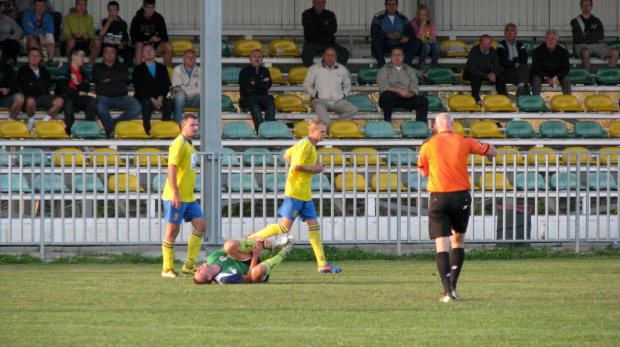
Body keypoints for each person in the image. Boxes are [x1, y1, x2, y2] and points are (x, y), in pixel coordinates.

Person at [417, 112, 498, 302]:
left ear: (435, 127)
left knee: (441, 245)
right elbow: (492, 151)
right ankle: (453, 287)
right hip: (461, 196)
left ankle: (446, 292)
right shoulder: (464, 141)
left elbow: (423, 173)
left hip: (439, 197)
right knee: (458, 242)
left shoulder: (427, 144)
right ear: (453, 124)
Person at [246, 118, 342, 274]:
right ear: (313, 131)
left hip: (305, 193)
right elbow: (296, 166)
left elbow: (286, 155)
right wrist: (315, 169)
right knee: (284, 227)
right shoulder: (306, 145)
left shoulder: (304, 144)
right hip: (296, 192)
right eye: (322, 131)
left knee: (314, 227)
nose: (325, 134)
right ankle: (252, 238)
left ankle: (322, 264)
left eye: (325, 131)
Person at [161, 113, 206, 278]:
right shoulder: (179, 143)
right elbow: (171, 168)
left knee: (201, 226)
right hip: (175, 196)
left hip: (189, 197)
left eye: (196, 125)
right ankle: (167, 269)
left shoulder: (190, 144)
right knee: (173, 230)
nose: (195, 128)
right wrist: (175, 194)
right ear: (183, 126)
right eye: (192, 125)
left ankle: (189, 265)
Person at [193, 235, 295, 285]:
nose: (197, 269)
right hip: (253, 275)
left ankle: (271, 245)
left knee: (228, 245)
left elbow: (232, 246)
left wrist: (252, 239)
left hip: (246, 260)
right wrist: (255, 255)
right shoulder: (224, 279)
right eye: (199, 273)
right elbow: (247, 279)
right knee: (257, 271)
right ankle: (285, 251)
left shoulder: (212, 258)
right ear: (210, 276)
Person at [92, 45, 141, 137]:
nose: (109, 54)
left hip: (122, 97)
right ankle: (112, 131)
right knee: (100, 108)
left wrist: (108, 79)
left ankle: (114, 125)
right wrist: (116, 78)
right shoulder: (97, 67)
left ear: (115, 55)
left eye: (112, 52)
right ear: (103, 54)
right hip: (104, 97)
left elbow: (124, 77)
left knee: (136, 106)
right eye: (107, 51)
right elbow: (98, 77)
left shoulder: (122, 66)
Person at [302, 47, 357, 129]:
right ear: (323, 56)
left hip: (337, 100)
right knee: (325, 121)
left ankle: (335, 128)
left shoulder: (342, 69)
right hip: (320, 100)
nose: (330, 57)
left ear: (336, 57)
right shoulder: (314, 68)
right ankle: (331, 131)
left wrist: (343, 95)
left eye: (332, 55)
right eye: (327, 55)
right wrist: (315, 94)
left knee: (353, 109)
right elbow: (306, 85)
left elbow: (347, 86)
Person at [16, 47, 63, 131]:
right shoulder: (22, 70)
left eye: (37, 56)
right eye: (32, 56)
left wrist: (33, 84)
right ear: (28, 58)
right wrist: (40, 84)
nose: (35, 58)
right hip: (28, 97)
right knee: (30, 101)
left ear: (41, 58)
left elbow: (48, 84)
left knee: (60, 101)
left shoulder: (44, 70)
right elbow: (25, 87)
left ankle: (44, 122)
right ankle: (31, 121)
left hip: (43, 96)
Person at [377, 47, 428, 123]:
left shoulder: (410, 70)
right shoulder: (384, 70)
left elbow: (414, 86)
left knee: (423, 100)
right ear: (390, 57)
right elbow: (383, 86)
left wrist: (411, 94)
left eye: (399, 55)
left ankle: (420, 126)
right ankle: (387, 123)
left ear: (403, 57)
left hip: (405, 98)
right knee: (387, 95)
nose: (397, 57)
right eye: (394, 55)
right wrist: (398, 90)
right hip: (390, 99)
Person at [132, 43, 173, 134]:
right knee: (147, 103)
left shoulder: (162, 68)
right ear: (142, 53)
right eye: (145, 50)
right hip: (144, 97)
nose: (148, 52)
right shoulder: (138, 69)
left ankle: (164, 129)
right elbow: (139, 87)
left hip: (159, 96)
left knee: (169, 103)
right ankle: (147, 130)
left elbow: (166, 84)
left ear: (155, 52)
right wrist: (152, 99)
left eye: (150, 50)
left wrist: (160, 97)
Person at [56, 48, 96, 135]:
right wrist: (78, 92)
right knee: (68, 102)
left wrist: (77, 83)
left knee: (91, 100)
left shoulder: (84, 72)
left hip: (78, 98)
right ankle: (70, 129)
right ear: (74, 57)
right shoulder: (63, 69)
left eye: (84, 56)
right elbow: (63, 88)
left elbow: (86, 89)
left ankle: (90, 128)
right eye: (81, 56)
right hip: (66, 97)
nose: (83, 59)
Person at [370, 0, 422, 68]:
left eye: (394, 4)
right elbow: (374, 33)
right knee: (376, 42)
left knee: (418, 42)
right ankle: (382, 67)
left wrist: (407, 38)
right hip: (385, 45)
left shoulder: (402, 17)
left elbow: (411, 32)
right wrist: (387, 35)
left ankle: (405, 65)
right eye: (389, 4)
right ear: (385, 5)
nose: (392, 7)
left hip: (399, 45)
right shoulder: (378, 17)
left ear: (397, 5)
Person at [571, 0, 618, 72]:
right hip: (581, 45)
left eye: (588, 5)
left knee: (615, 52)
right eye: (584, 5)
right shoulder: (575, 21)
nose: (586, 7)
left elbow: (601, 36)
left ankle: (607, 76)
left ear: (591, 6)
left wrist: (587, 34)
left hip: (596, 44)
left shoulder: (596, 20)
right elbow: (578, 38)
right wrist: (593, 34)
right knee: (585, 52)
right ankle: (586, 78)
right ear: (581, 7)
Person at [300, 0, 349, 67]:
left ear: (325, 3)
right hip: (312, 43)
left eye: (322, 2)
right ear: (313, 2)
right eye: (317, 2)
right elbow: (309, 29)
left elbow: (333, 29)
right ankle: (313, 75)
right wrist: (324, 24)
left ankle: (335, 72)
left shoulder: (330, 14)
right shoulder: (306, 14)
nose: (320, 4)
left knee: (344, 53)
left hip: (328, 43)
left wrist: (316, 25)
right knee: (306, 55)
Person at [238, 49, 275, 131]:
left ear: (262, 59)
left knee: (270, 103)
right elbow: (246, 86)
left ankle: (269, 130)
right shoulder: (244, 71)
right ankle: (261, 131)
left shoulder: (265, 70)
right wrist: (261, 81)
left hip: (262, 96)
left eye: (259, 57)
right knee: (255, 106)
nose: (257, 59)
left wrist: (255, 82)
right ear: (250, 59)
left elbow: (268, 85)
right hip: (248, 97)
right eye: (254, 57)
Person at [130, 0, 172, 67]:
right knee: (139, 45)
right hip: (141, 44)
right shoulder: (137, 19)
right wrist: (145, 40)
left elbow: (164, 36)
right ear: (143, 7)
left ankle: (167, 72)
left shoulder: (158, 18)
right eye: (148, 7)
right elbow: (133, 36)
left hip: (154, 44)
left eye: (152, 7)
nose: (150, 10)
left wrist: (158, 38)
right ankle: (138, 72)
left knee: (168, 46)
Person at [60, 0, 101, 67]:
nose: (82, 7)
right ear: (75, 6)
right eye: (79, 4)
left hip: (84, 42)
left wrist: (87, 36)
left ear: (86, 6)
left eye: (84, 5)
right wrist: (74, 36)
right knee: (71, 41)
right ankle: (71, 64)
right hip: (71, 43)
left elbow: (91, 35)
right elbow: (65, 35)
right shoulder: (67, 17)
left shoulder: (89, 18)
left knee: (97, 42)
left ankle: (90, 65)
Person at [463, 34, 502, 103]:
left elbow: (497, 67)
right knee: (476, 77)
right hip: (472, 74)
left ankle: (502, 99)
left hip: (487, 74)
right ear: (480, 43)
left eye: (489, 44)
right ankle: (475, 101)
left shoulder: (493, 51)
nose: (487, 46)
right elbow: (472, 69)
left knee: (501, 78)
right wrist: (487, 76)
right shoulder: (474, 51)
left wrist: (494, 74)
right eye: (485, 43)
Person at [531, 30, 571, 96]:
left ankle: (568, 101)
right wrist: (547, 78)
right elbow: (535, 68)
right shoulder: (538, 51)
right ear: (545, 40)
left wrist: (556, 78)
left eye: (553, 39)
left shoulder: (563, 52)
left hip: (557, 76)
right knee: (536, 79)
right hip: (542, 76)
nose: (550, 41)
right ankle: (536, 101)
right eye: (548, 38)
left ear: (557, 41)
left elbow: (566, 68)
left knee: (566, 79)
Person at [496, 23, 531, 99]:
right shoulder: (501, 45)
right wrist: (516, 62)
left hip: (518, 72)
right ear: (504, 33)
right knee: (524, 80)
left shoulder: (520, 44)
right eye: (507, 30)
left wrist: (511, 60)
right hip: (506, 72)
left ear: (516, 33)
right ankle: (521, 93)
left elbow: (524, 59)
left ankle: (521, 88)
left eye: (512, 30)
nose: (510, 33)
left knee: (524, 67)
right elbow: (504, 61)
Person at [21, 0, 57, 66]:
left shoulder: (48, 16)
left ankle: (50, 60)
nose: (40, 8)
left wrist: (37, 32)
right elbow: (27, 29)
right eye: (38, 5)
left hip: (43, 41)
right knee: (31, 36)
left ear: (46, 7)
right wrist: (39, 35)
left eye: (43, 6)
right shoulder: (27, 15)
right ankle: (40, 60)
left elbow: (50, 30)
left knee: (50, 35)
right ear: (34, 6)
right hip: (28, 42)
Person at [98, 1, 132, 66]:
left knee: (128, 54)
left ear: (117, 10)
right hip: (107, 45)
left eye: (114, 10)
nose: (112, 12)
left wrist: (122, 44)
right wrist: (109, 22)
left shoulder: (123, 23)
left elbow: (126, 39)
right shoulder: (104, 21)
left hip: (118, 45)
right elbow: (100, 34)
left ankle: (126, 72)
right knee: (112, 55)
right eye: (110, 10)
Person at [170, 49, 200, 124]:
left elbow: (201, 89)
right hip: (181, 99)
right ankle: (178, 125)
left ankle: (200, 126)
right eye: (188, 57)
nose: (190, 59)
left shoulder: (200, 70)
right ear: (183, 59)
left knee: (203, 98)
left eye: (192, 57)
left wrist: (185, 91)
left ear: (195, 59)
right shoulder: (177, 70)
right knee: (180, 96)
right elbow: (177, 89)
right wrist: (193, 88)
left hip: (194, 99)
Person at [410, 4, 439, 79]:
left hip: (429, 45)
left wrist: (431, 39)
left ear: (427, 15)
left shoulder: (431, 23)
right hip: (418, 47)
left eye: (425, 15)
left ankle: (433, 68)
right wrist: (422, 26)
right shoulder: (413, 23)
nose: (423, 17)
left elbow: (434, 38)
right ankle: (420, 68)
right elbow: (418, 38)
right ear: (418, 14)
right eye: (421, 14)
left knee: (436, 46)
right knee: (427, 46)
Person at [0, 45, 25, 120]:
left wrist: (8, 90)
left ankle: (10, 121)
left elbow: (14, 86)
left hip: (5, 98)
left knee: (20, 97)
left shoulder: (8, 68)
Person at [0, 0, 23, 65]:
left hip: (7, 40)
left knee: (14, 43)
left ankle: (11, 62)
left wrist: (11, 38)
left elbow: (19, 31)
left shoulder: (7, 19)